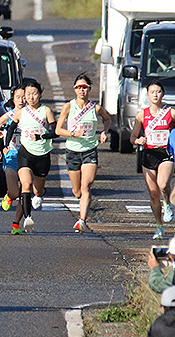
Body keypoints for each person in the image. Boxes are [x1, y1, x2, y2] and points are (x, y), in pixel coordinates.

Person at [56, 73, 111, 233]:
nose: (82, 90)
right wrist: (73, 133)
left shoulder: (95, 108)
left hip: (89, 150)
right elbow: (58, 130)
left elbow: (107, 119)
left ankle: (82, 220)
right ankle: (83, 200)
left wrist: (104, 132)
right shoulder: (68, 107)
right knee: (77, 191)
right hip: (73, 151)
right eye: (79, 87)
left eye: (84, 87)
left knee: (86, 185)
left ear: (89, 89)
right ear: (75, 89)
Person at [130, 80, 175, 239]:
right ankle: (159, 225)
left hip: (165, 153)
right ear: (147, 95)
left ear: (163, 94)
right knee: (153, 194)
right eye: (152, 92)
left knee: (163, 184)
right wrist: (138, 140)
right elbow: (133, 137)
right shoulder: (141, 115)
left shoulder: (172, 113)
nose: (155, 95)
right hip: (149, 154)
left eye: (158, 91)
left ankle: (167, 203)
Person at [5, 80, 57, 235]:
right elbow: (11, 128)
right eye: (28, 94)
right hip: (25, 153)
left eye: (34, 94)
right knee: (26, 184)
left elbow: (55, 132)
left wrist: (41, 136)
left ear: (40, 95)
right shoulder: (21, 112)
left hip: (42, 154)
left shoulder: (46, 111)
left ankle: (40, 193)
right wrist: (6, 144)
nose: (31, 97)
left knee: (37, 190)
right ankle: (28, 217)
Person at [0, 85, 26, 214]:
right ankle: (9, 196)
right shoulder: (8, 116)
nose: (21, 100)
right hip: (11, 154)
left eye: (24, 97)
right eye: (18, 97)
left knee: (26, 190)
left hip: (27, 155)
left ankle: (21, 217)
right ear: (13, 99)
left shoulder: (32, 115)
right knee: (14, 192)